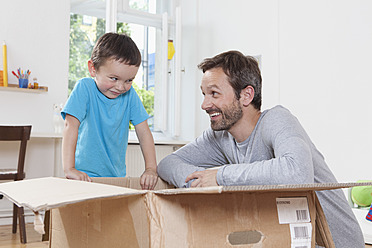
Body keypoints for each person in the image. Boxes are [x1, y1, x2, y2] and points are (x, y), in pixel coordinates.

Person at [157, 50, 364, 247]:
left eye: (214, 93)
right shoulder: (220, 137)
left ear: (246, 95)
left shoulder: (276, 120)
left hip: (331, 243)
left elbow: (298, 174)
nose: (205, 104)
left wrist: (220, 176)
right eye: (204, 94)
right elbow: (168, 164)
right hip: (285, 240)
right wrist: (199, 184)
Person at [62, 32, 158, 190]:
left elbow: (144, 132)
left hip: (116, 177)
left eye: (129, 80)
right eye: (114, 78)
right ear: (93, 69)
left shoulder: (130, 95)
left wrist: (151, 169)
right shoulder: (85, 88)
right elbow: (70, 126)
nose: (121, 87)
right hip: (84, 176)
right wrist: (70, 169)